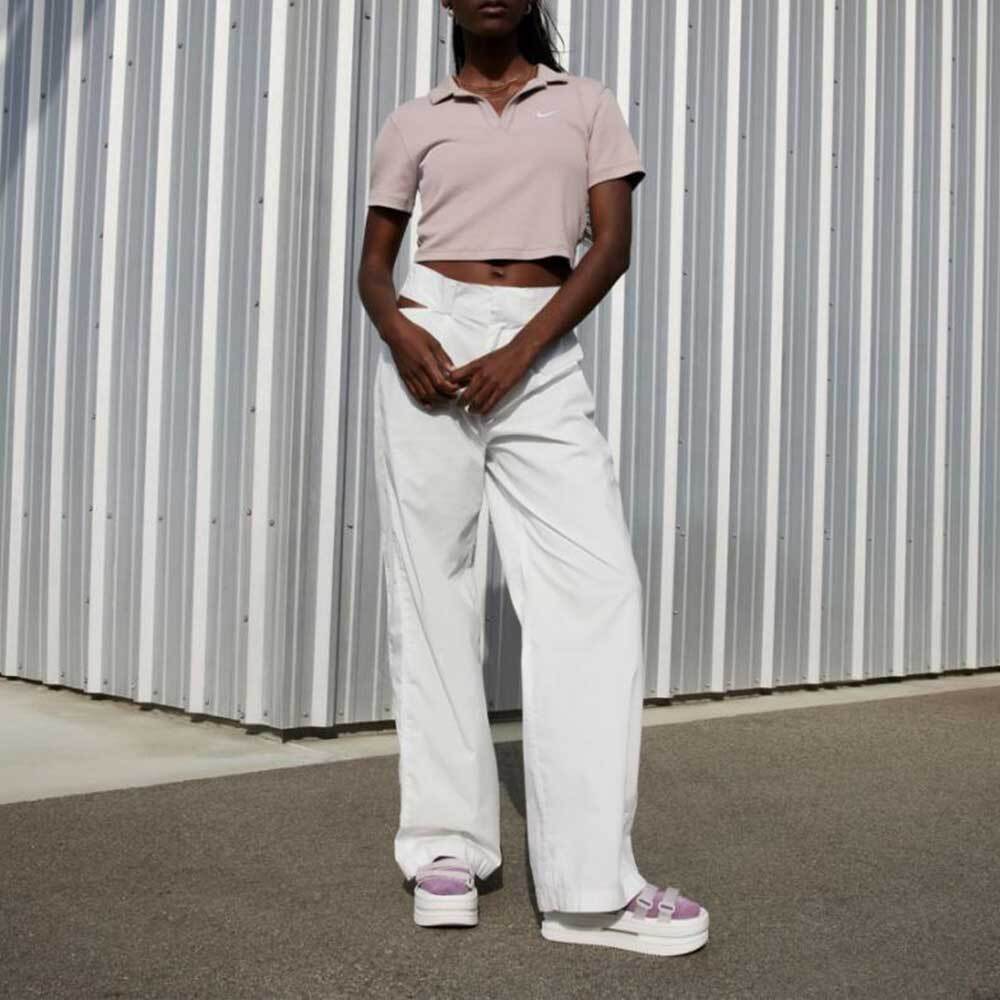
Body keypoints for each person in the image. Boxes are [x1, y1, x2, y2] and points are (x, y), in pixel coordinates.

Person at [356, 0, 708, 958]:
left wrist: (522, 350)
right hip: (430, 341)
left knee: (595, 591)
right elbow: (374, 266)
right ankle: (446, 850)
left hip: (539, 346)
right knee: (432, 591)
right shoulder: (415, 118)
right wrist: (400, 333)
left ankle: (589, 889)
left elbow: (611, 247)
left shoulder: (585, 103)